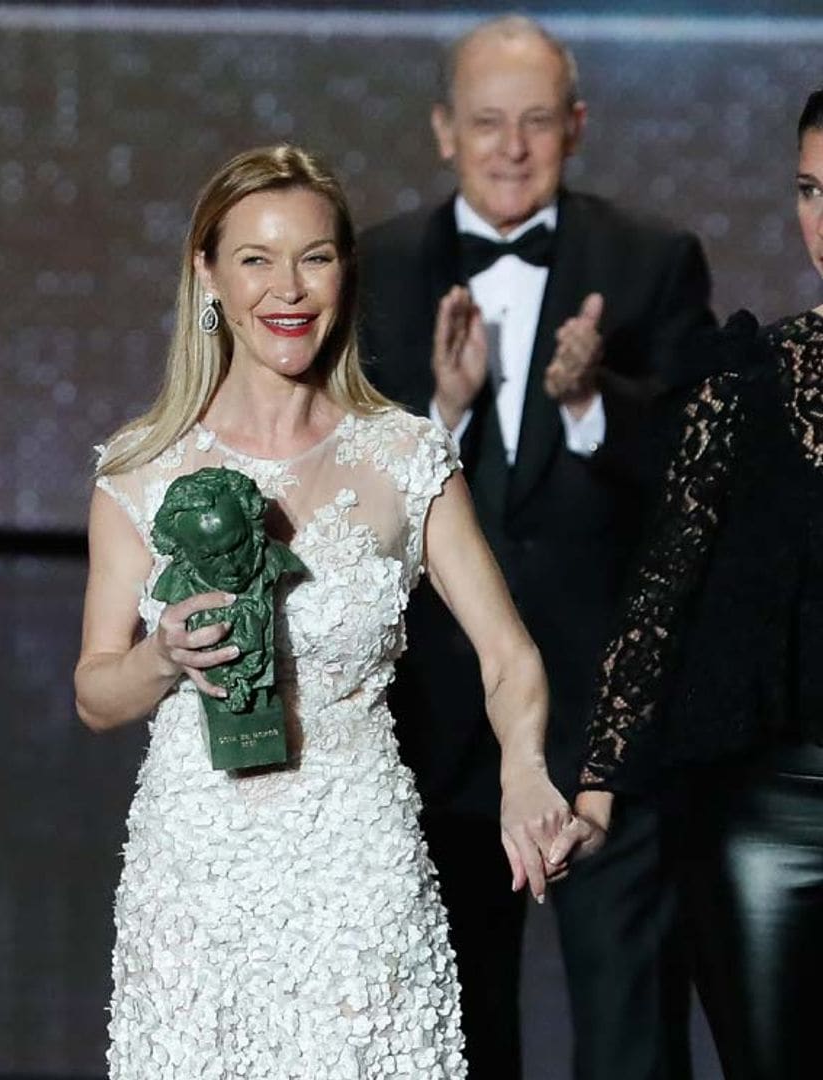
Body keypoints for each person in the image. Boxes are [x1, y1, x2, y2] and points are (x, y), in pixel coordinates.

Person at [76, 143, 594, 1078]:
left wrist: (524, 770)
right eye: (257, 259)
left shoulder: (405, 457)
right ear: (208, 274)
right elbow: (96, 692)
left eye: (315, 257)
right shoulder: (139, 471)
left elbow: (509, 656)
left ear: (344, 273)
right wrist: (162, 657)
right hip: (198, 867)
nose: (290, 288)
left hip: (360, 859)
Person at [358, 16, 715, 1080]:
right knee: (456, 1030)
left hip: (605, 723)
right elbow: (348, 485)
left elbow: (701, 484)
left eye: (536, 123)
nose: (510, 148)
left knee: (628, 1033)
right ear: (442, 131)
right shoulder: (377, 267)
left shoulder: (651, 260)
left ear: (577, 126)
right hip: (436, 721)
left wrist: (590, 404)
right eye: (485, 123)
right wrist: (445, 415)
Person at [570, 88, 823, 1080]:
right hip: (764, 822)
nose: (820, 221)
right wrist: (597, 787)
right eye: (809, 189)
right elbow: (662, 588)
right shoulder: (746, 381)